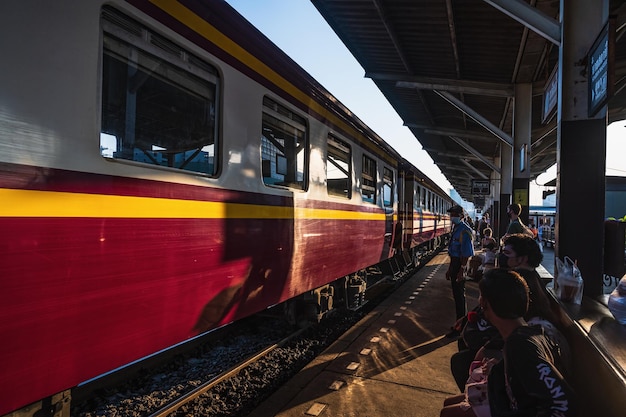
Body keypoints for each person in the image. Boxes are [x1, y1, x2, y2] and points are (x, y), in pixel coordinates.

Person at [441, 269, 576, 417]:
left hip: (513, 408)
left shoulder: (520, 345)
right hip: (512, 403)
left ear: (485, 304)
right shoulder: (529, 332)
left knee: (447, 413)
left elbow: (563, 403)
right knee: (448, 405)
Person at [445, 205, 475, 335]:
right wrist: (450, 269)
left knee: (459, 297)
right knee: (457, 296)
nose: (452, 217)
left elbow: (467, 253)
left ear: (461, 216)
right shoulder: (456, 228)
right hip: (455, 264)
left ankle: (460, 326)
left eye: (455, 215)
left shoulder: (465, 231)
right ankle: (460, 324)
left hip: (460, 264)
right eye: (451, 215)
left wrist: (461, 270)